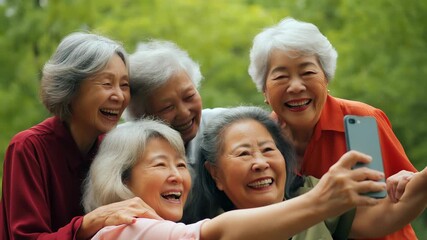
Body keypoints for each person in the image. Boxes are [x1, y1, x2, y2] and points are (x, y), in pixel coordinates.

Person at [82, 118, 403, 240]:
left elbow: (382, 218)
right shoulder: (127, 230)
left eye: (181, 164)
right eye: (159, 165)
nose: (177, 176)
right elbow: (218, 233)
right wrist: (321, 201)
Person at [247, 17, 418, 239]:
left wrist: (405, 180)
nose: (296, 86)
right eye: (281, 77)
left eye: (308, 73)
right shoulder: (260, 139)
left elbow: (411, 195)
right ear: (264, 92)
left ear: (326, 78)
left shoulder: (363, 120)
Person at [0, 32, 158, 240]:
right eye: (106, 83)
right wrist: (88, 223)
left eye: (124, 85)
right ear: (71, 88)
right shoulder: (29, 148)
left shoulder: (115, 149)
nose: (119, 96)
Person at [193, 106, 427, 239]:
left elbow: (383, 217)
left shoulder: (311, 191)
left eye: (268, 149)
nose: (260, 163)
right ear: (214, 173)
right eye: (244, 154)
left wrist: (417, 181)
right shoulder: (203, 228)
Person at [123, 40, 224, 166]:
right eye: (167, 107)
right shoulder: (122, 150)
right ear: (140, 115)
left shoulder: (225, 126)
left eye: (189, 96)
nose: (184, 113)